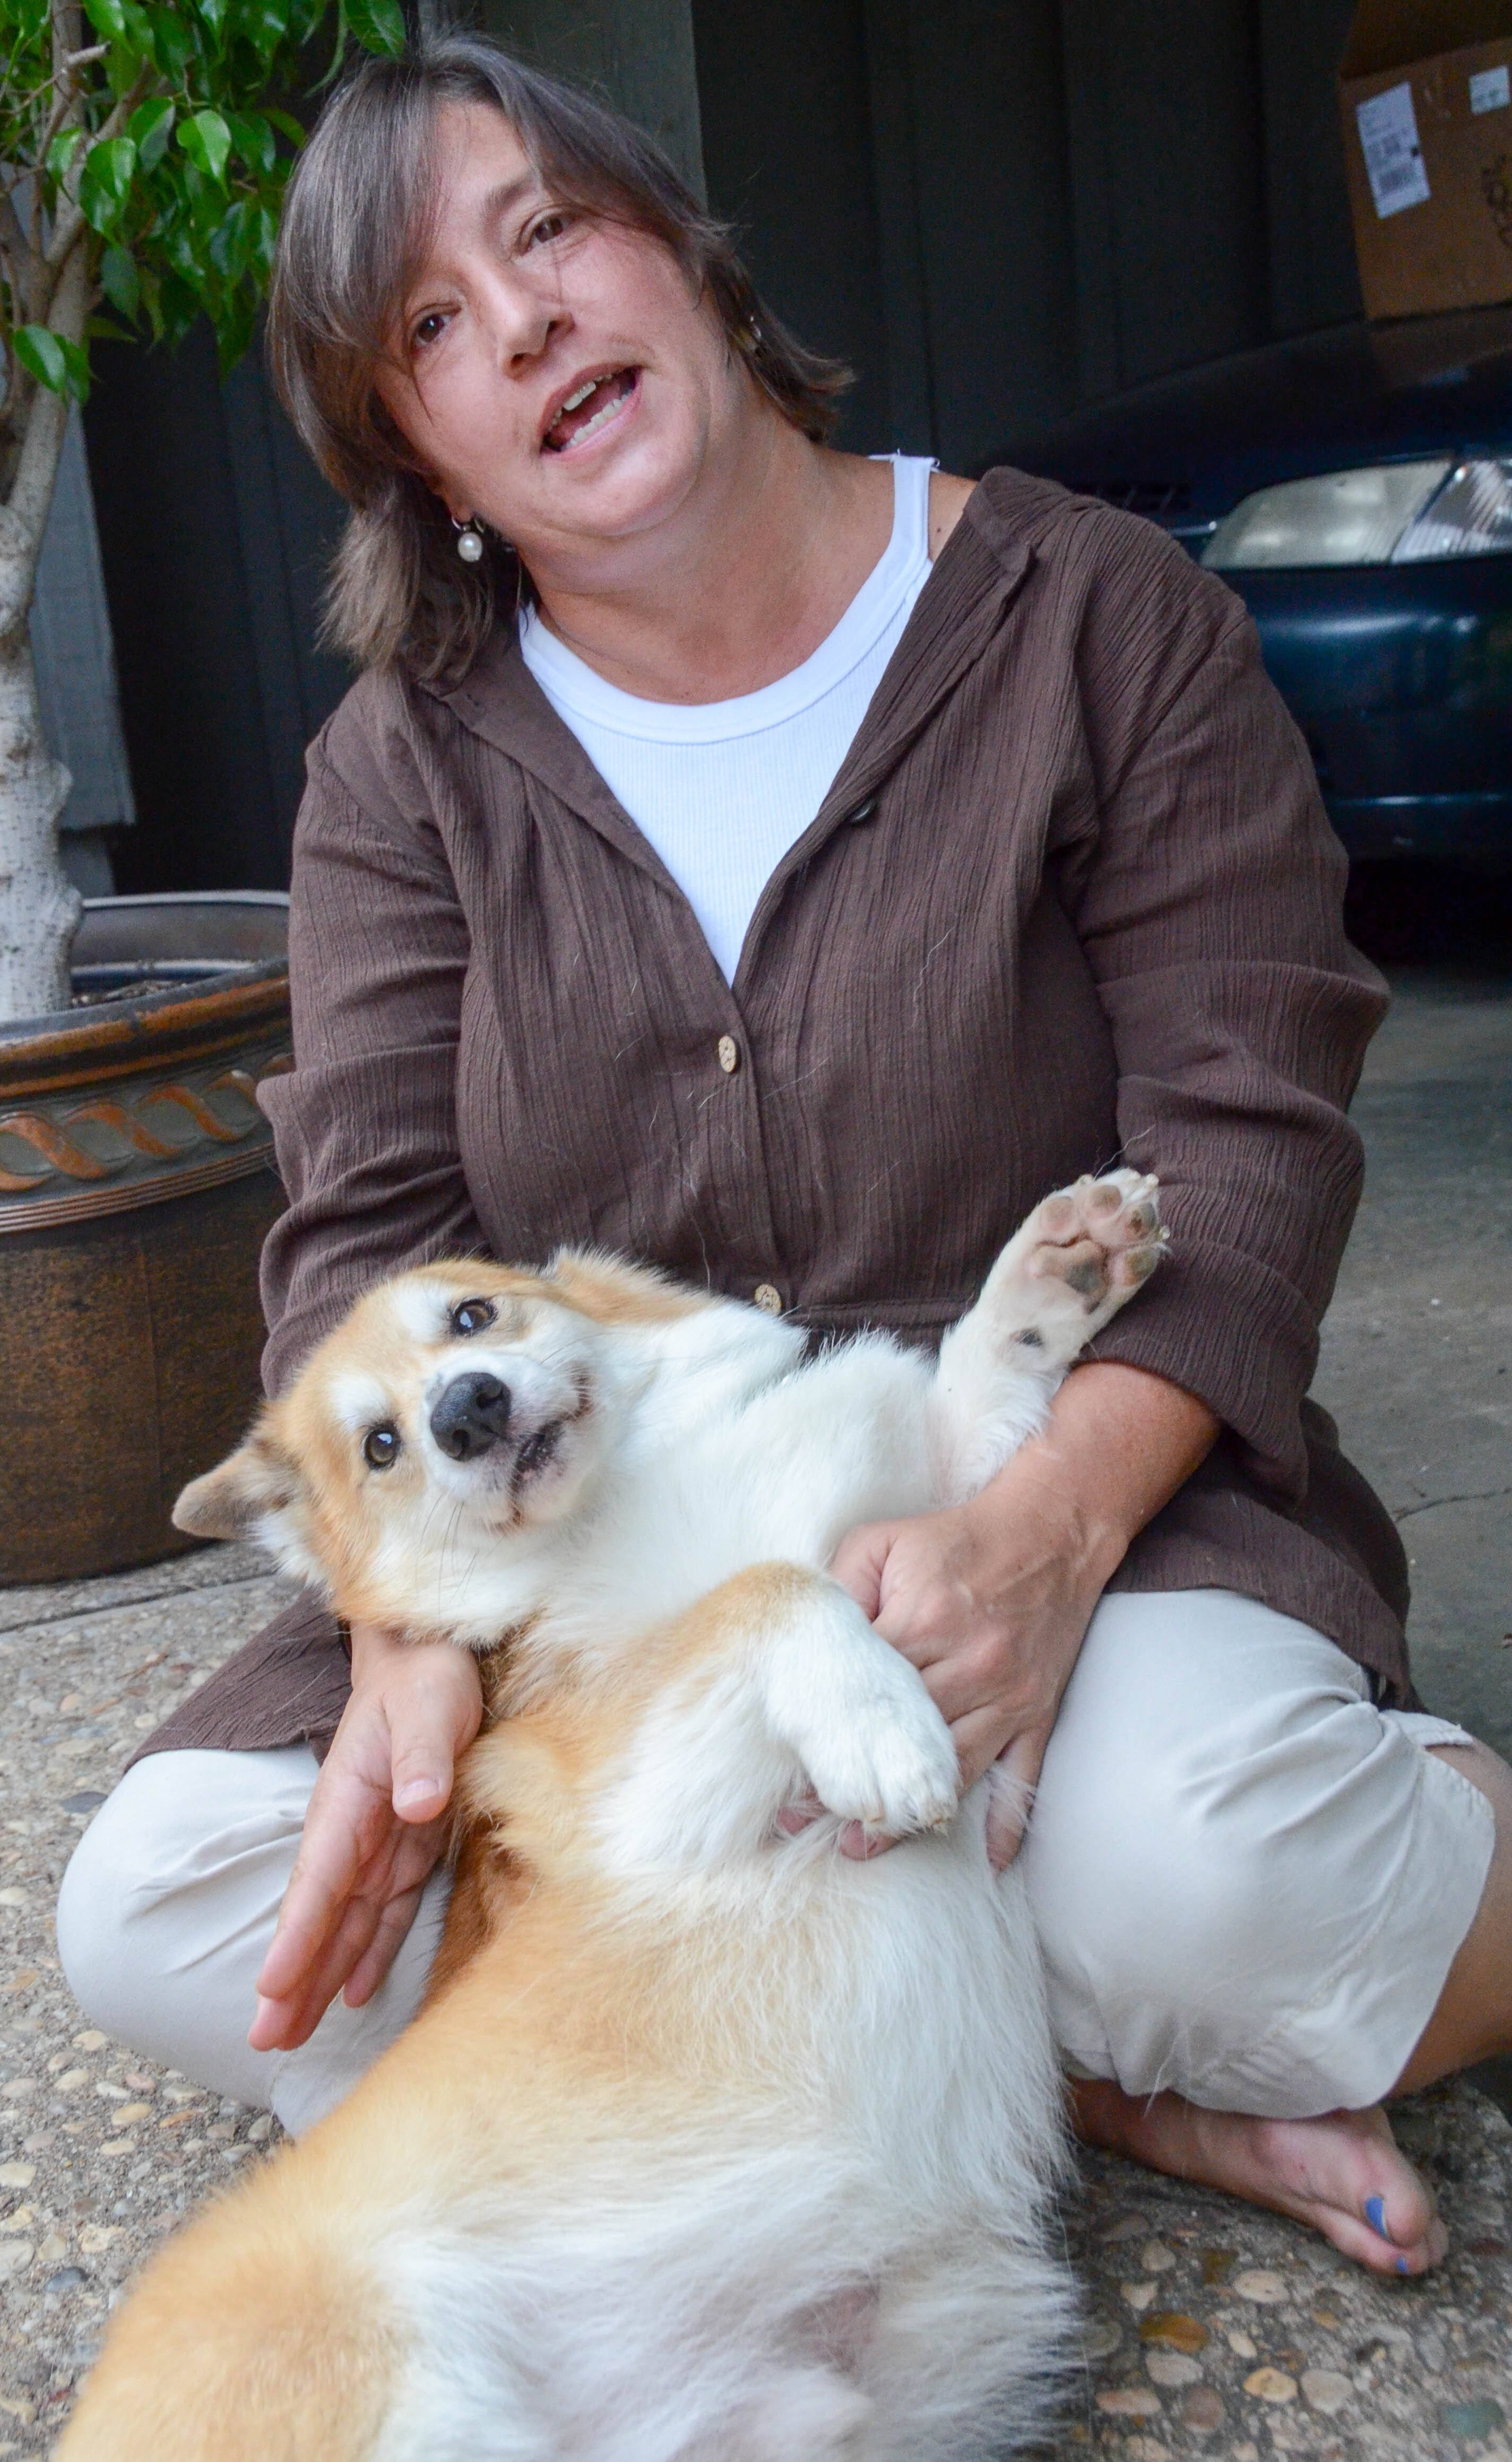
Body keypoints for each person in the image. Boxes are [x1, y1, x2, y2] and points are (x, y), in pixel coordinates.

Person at [57, 33, 1512, 2279]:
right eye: (430, 325)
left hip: (1061, 1486)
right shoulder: (399, 774)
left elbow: (1245, 1122)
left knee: (1206, 1876)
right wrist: (409, 1624)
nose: (520, 319)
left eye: (546, 229)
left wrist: (1038, 1532)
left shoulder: (1092, 616)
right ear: (416, 462)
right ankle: (1075, 2081)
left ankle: (1087, 1991)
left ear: (689, 264)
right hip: (603, 1559)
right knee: (165, 1906)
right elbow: (364, 1229)